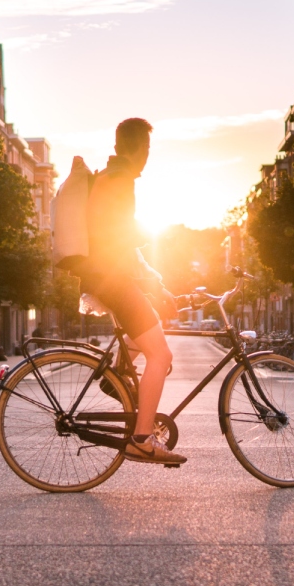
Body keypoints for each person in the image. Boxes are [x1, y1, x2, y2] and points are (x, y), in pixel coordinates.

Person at [82, 118, 185, 466]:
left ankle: (117, 378)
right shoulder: (120, 180)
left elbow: (121, 242)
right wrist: (153, 272)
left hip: (105, 276)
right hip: (111, 279)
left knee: (151, 326)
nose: (148, 156)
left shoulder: (109, 176)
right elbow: (121, 240)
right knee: (162, 356)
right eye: (148, 149)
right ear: (140, 148)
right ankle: (141, 439)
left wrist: (155, 284)